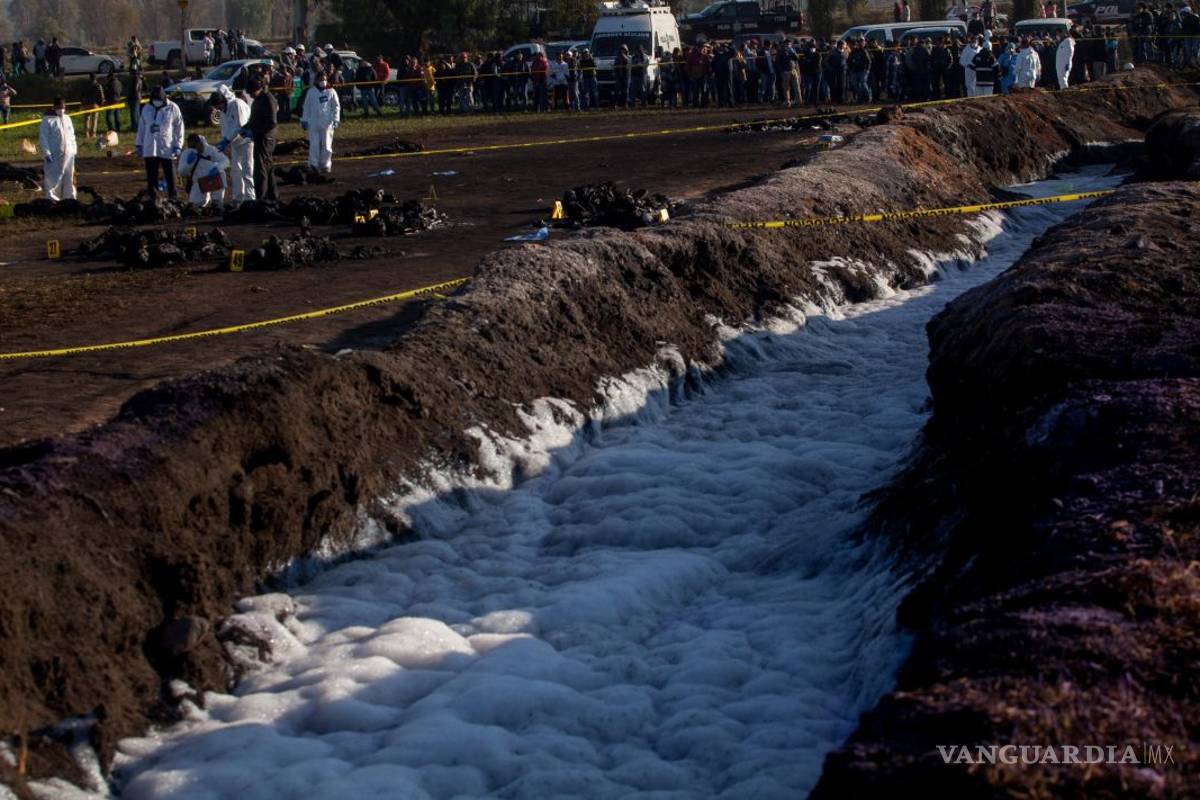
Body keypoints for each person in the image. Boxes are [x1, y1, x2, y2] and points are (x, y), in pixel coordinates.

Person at [136, 85, 184, 199]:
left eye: (159, 99)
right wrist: (139, 144)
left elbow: (179, 127)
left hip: (167, 147)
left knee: (170, 174)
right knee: (152, 176)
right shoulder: (147, 108)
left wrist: (178, 145)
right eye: (154, 99)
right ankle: (154, 197)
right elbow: (142, 127)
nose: (156, 102)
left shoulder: (173, 108)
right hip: (150, 147)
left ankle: (173, 197)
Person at [212, 84, 253, 204]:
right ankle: (238, 197)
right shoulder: (224, 110)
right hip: (235, 143)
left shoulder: (236, 104)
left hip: (246, 142)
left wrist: (227, 140)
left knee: (247, 170)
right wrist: (224, 140)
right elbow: (226, 128)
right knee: (236, 171)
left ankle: (250, 198)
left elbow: (240, 126)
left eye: (218, 105)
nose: (218, 108)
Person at [244, 78, 278, 200]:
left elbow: (272, 122)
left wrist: (255, 131)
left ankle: (261, 197)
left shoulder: (268, 100)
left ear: (258, 89)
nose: (250, 95)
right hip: (261, 137)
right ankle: (272, 195)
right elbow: (254, 118)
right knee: (267, 167)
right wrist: (245, 128)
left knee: (261, 168)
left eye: (251, 93)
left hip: (265, 138)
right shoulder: (258, 100)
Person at [300, 71, 340, 173]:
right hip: (313, 122)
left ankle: (326, 164)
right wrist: (304, 119)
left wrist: (336, 119)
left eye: (325, 79)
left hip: (327, 122)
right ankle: (313, 164)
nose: (323, 81)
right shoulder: (311, 92)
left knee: (326, 145)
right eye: (321, 79)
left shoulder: (331, 91)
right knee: (314, 144)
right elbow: (306, 107)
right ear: (317, 80)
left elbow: (336, 106)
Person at [39, 97, 77, 202]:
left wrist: (74, 150)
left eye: (63, 107)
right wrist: (47, 153)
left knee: (69, 177)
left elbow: (72, 135)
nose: (62, 109)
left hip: (69, 154)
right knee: (53, 178)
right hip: (54, 155)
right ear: (54, 107)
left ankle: (69, 199)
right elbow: (43, 137)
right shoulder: (47, 120)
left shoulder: (67, 118)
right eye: (60, 107)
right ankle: (52, 200)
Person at [177, 133, 229, 207]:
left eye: (196, 145)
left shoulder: (210, 150)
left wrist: (217, 168)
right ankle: (204, 202)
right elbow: (182, 173)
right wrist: (188, 164)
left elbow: (225, 161)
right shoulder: (186, 154)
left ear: (201, 143)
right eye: (191, 146)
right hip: (198, 182)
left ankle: (216, 202)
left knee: (221, 175)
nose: (194, 148)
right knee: (195, 204)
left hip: (213, 178)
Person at [83, 74, 104, 139]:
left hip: (86, 104)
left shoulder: (85, 85)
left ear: (90, 78)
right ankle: (93, 134)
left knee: (87, 119)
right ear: (96, 78)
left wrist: (83, 102)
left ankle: (87, 134)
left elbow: (82, 94)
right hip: (95, 104)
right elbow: (101, 95)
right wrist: (101, 103)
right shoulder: (98, 85)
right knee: (94, 119)